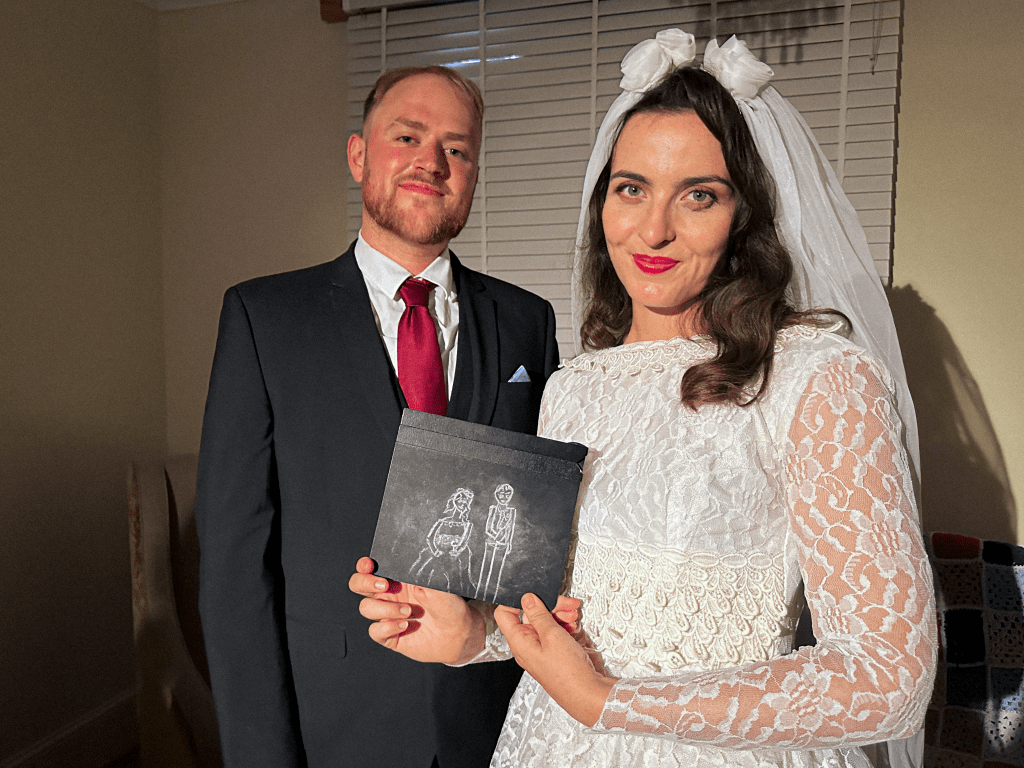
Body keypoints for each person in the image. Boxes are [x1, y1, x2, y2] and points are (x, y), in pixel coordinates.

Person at [350, 32, 936, 768]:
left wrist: (609, 703)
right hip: (550, 743)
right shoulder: (572, 388)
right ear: (604, 201)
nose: (653, 229)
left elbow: (889, 679)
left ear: (744, 214)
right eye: (632, 189)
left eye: (699, 195)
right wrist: (473, 636)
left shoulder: (818, 377)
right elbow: (568, 616)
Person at [195, 65, 561, 768]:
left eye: (456, 148)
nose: (432, 161)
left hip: (496, 723)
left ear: (475, 173)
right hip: (331, 721)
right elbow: (236, 574)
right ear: (360, 154)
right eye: (408, 136)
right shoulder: (264, 319)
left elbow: (536, 533)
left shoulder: (527, 322)